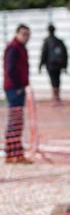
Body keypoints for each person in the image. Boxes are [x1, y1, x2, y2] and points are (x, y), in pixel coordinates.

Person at [4, 24, 33, 164]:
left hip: (19, 88)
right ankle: (12, 153)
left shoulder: (21, 48)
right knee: (15, 121)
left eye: (28, 34)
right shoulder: (13, 48)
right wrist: (18, 85)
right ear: (17, 34)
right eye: (24, 34)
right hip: (14, 89)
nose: (26, 37)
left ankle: (16, 152)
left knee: (18, 121)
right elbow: (9, 68)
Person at [39, 24, 68, 104]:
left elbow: (43, 54)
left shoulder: (47, 41)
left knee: (53, 81)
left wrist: (40, 65)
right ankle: (57, 97)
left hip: (50, 65)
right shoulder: (59, 41)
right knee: (57, 80)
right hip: (58, 65)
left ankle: (55, 98)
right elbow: (65, 54)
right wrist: (65, 66)